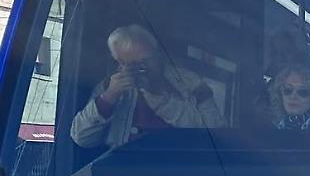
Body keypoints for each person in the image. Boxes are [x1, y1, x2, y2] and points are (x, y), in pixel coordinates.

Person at [71, 26, 224, 149]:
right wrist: (108, 98)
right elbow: (81, 138)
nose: (140, 69)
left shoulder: (190, 82)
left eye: (145, 61)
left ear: (158, 55)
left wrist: (160, 97)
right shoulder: (109, 86)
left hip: (181, 166)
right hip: (125, 170)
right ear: (118, 62)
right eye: (130, 64)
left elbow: (214, 133)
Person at [269, 65, 310, 130]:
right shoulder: (269, 128)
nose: (293, 97)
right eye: (288, 90)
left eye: (303, 91)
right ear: (280, 94)